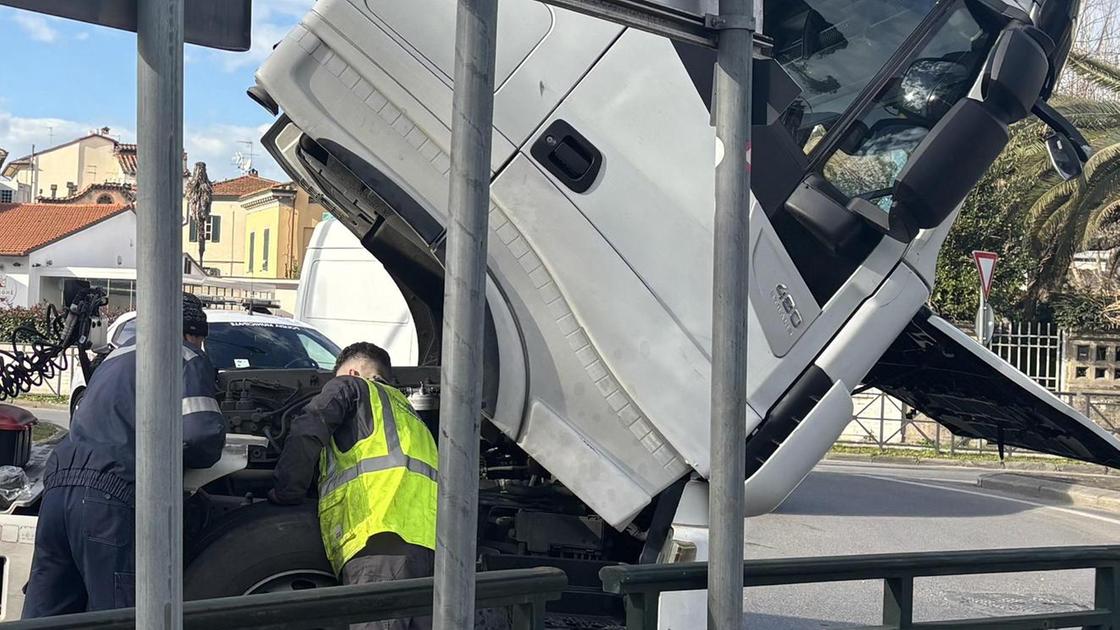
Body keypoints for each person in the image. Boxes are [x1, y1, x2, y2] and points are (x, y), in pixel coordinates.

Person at [22, 293, 226, 617]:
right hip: (107, 500)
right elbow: (201, 435)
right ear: (191, 333)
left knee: (47, 615)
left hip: (57, 494)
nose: (200, 347)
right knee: (119, 616)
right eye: (200, 340)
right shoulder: (186, 358)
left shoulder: (113, 358)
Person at [270, 342, 438, 630]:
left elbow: (309, 427)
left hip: (379, 539)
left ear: (350, 372)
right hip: (428, 549)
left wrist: (287, 490)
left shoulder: (351, 387)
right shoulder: (410, 414)